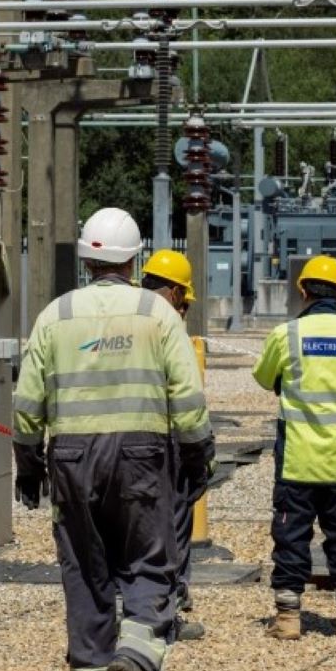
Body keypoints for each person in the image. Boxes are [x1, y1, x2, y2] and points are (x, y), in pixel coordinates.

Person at [12, 209, 213, 671]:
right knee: (150, 559)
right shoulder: (157, 313)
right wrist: (196, 453)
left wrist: (28, 462)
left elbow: (28, 399)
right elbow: (187, 395)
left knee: (86, 569)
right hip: (142, 455)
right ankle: (139, 651)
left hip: (72, 459)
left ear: (86, 257)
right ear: (133, 257)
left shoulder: (55, 315)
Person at [253, 255, 336, 643]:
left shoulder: (286, 334)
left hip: (297, 459)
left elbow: (263, 378)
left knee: (291, 535)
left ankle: (289, 618)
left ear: (303, 291)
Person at [141, 247, 208, 643]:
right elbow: (186, 395)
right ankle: (169, 612)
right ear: (175, 293)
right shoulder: (168, 324)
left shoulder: (124, 316)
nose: (184, 308)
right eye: (184, 299)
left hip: (115, 444)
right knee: (173, 529)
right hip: (165, 444)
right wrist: (199, 449)